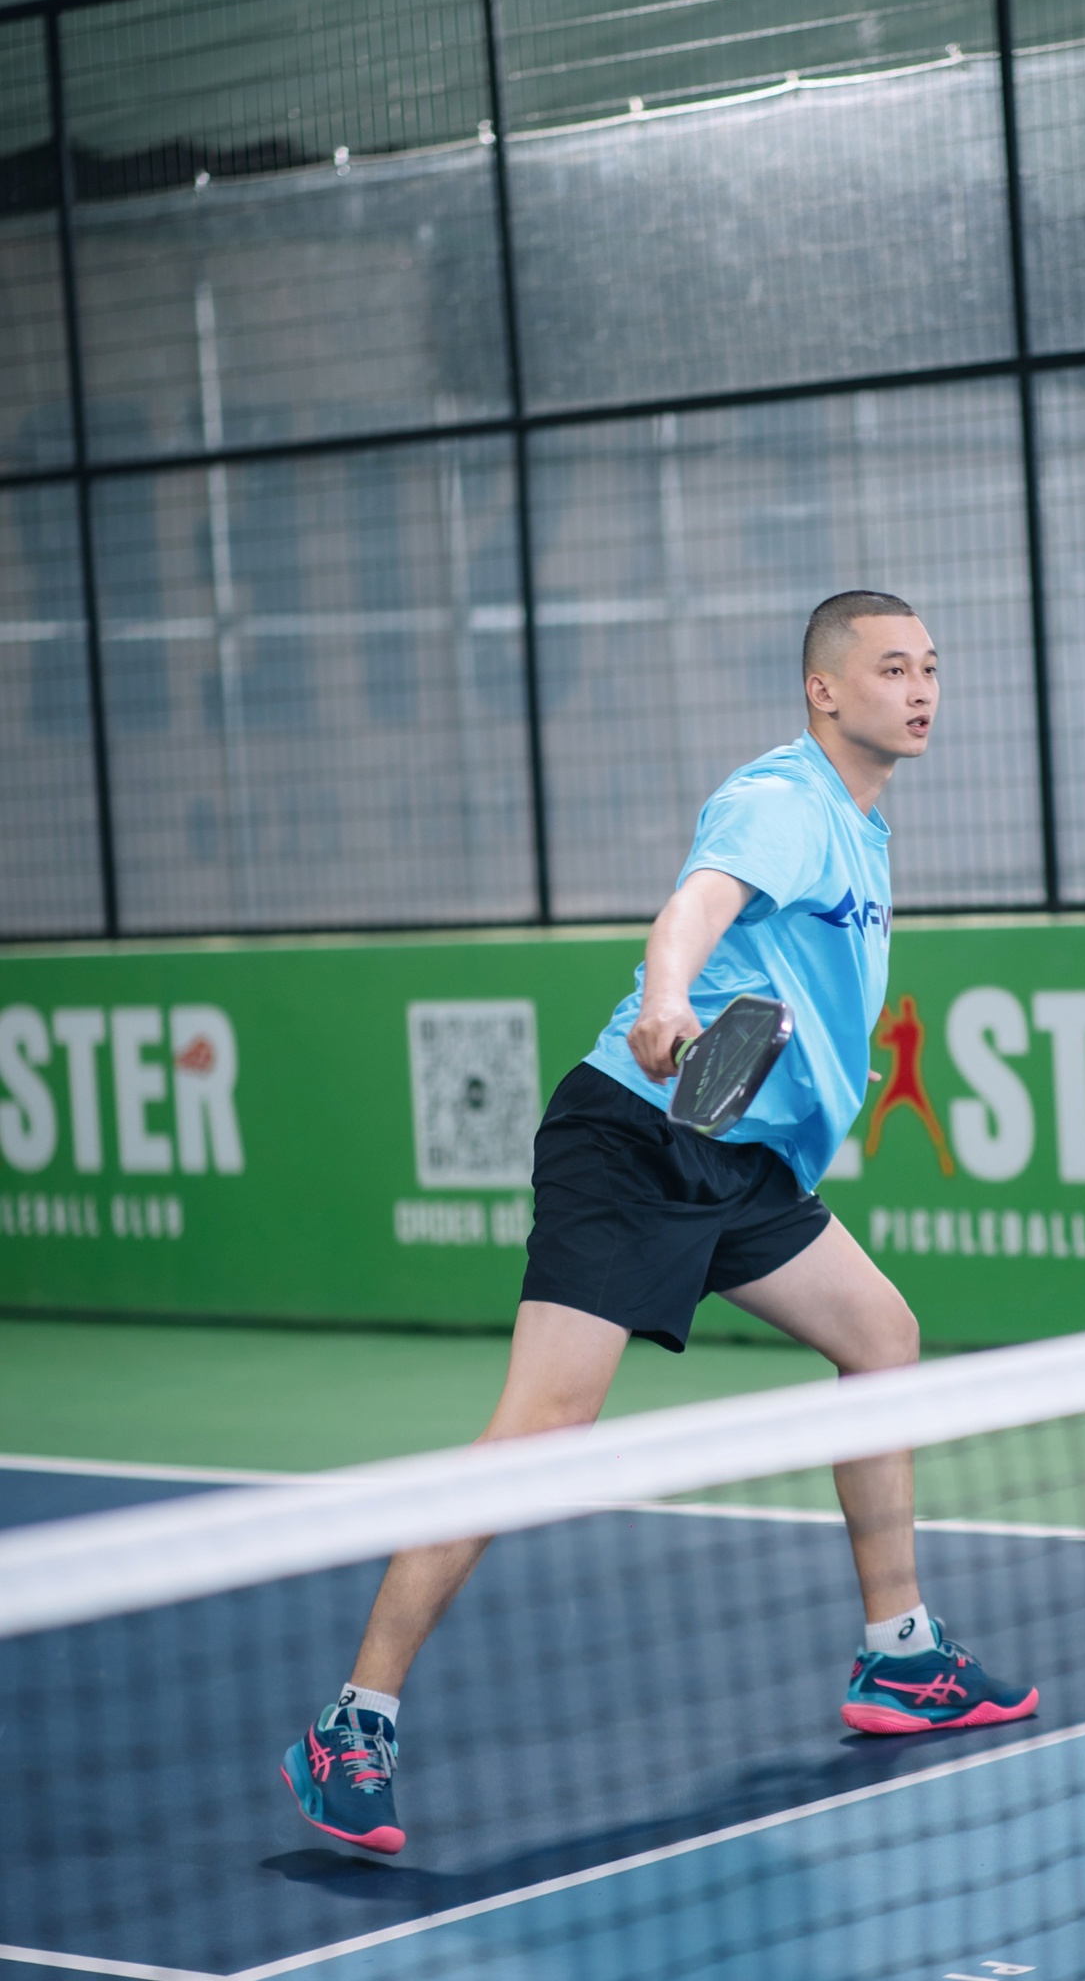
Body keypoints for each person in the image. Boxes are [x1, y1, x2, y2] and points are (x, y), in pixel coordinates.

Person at [281, 591, 1038, 1855]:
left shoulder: (862, 827)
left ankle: (902, 1656)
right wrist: (666, 997)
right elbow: (696, 903)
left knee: (883, 1338)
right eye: (890, 669)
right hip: (637, 1137)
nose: (920, 690)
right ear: (824, 689)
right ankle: (351, 1723)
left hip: (740, 1157)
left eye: (930, 668)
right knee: (540, 1432)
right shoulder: (784, 800)